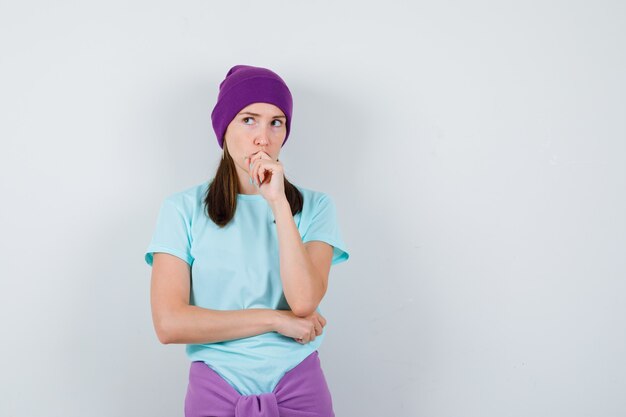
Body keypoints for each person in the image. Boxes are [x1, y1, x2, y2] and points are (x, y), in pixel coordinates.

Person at [144, 64, 350, 417]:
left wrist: (279, 204)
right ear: (224, 128)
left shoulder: (316, 207)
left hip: (299, 387)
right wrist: (273, 320)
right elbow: (169, 324)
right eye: (248, 119)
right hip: (216, 388)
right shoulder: (182, 209)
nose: (263, 138)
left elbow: (303, 302)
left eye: (276, 122)